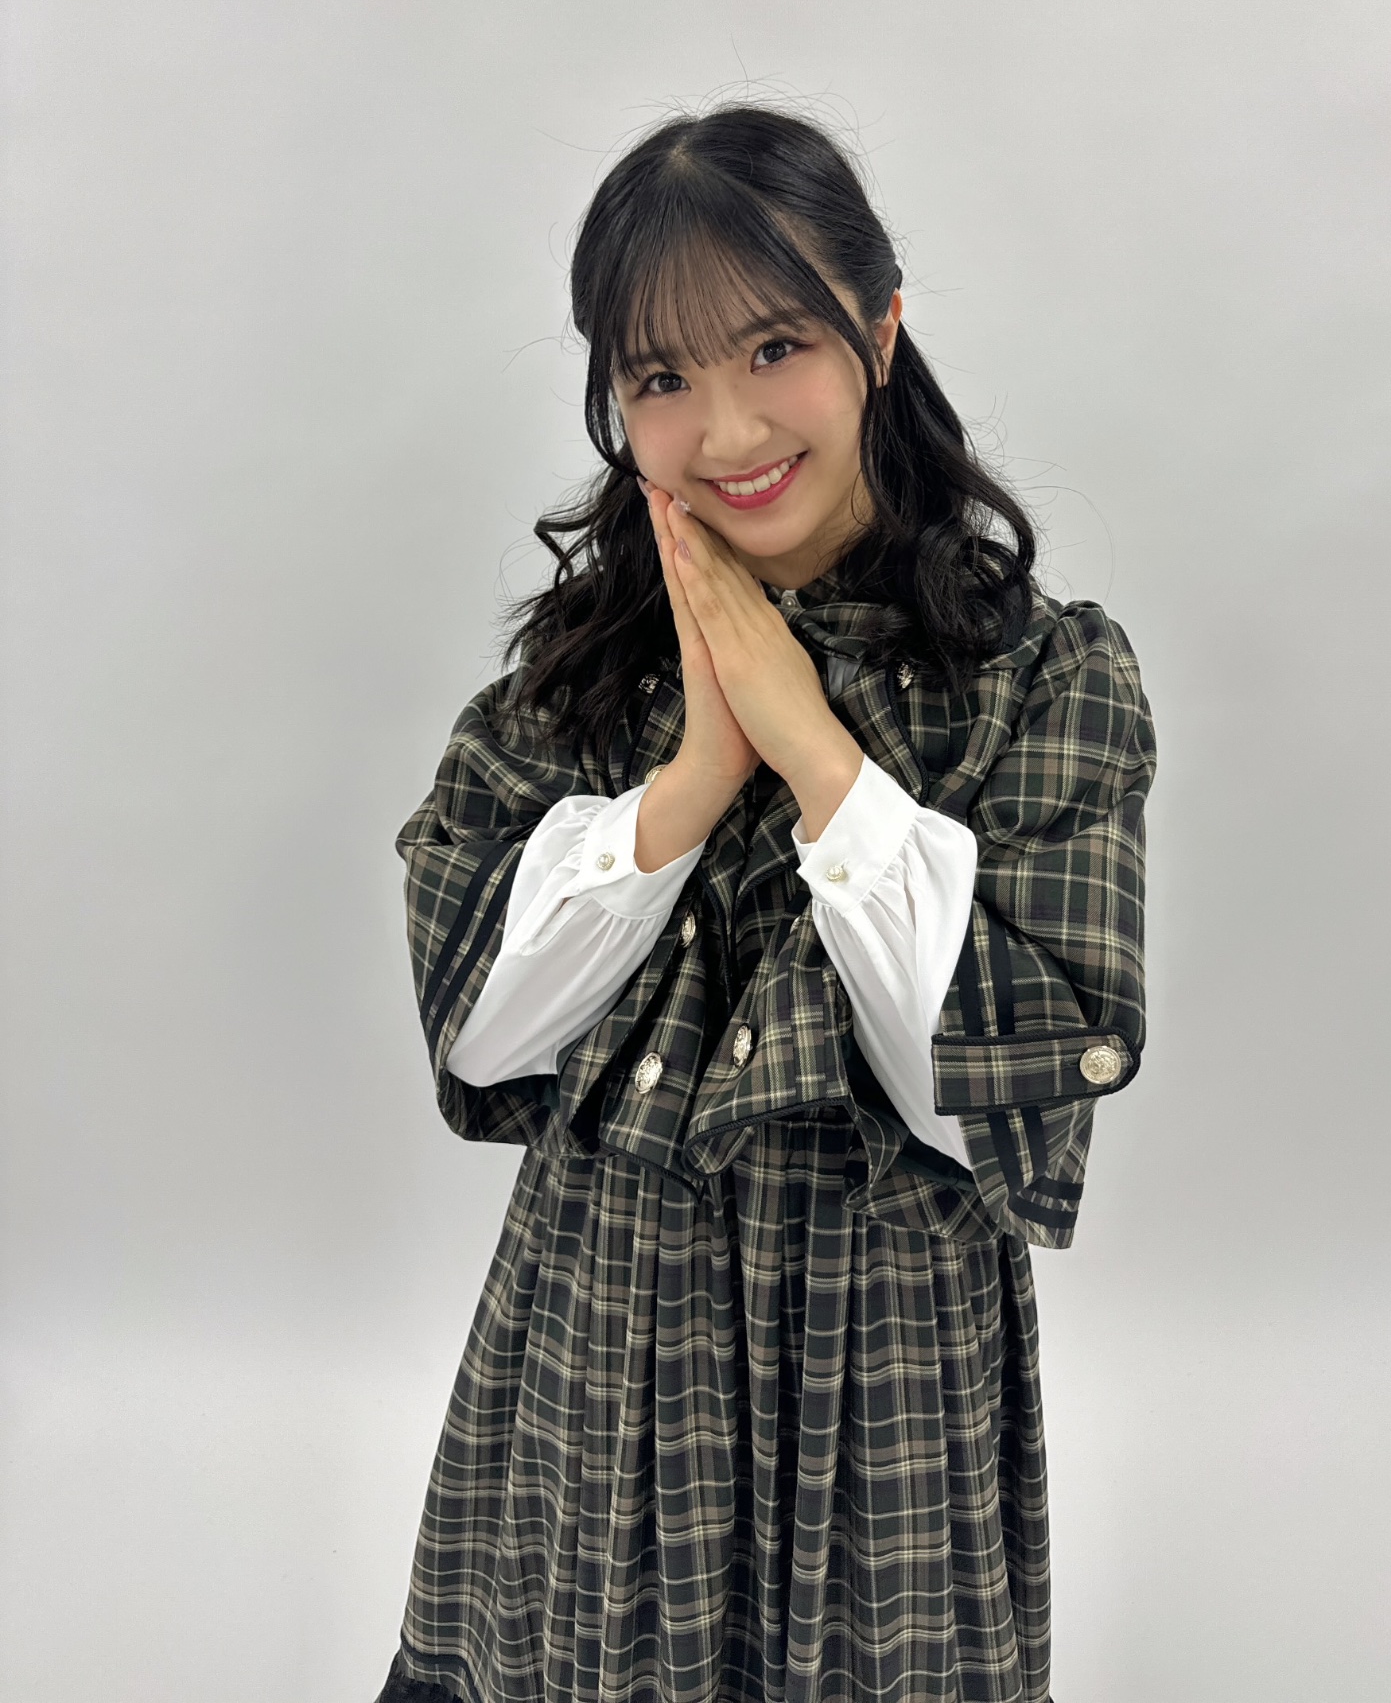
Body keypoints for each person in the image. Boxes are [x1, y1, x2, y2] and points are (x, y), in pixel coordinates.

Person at [375, 104, 1156, 1703]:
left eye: (775, 346)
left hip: (884, 1377)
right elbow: (480, 1033)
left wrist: (814, 752)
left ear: (880, 331)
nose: (726, 428)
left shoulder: (1041, 677)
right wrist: (694, 776)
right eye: (661, 377)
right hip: (597, 1350)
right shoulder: (579, 684)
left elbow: (1006, 1086)